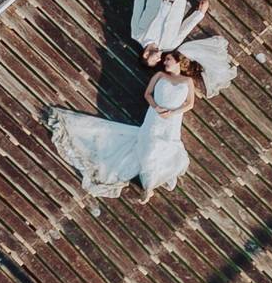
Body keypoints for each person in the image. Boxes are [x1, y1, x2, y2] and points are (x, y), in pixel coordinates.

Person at [46, 52, 199, 203]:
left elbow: (189, 104)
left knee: (166, 146)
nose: (165, 62)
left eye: (168, 59)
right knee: (150, 144)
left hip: (172, 121)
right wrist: (157, 108)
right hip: (155, 116)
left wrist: (173, 112)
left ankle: (151, 183)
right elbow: (148, 94)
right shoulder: (159, 76)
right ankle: (149, 186)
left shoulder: (187, 81)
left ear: (178, 61)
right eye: (165, 60)